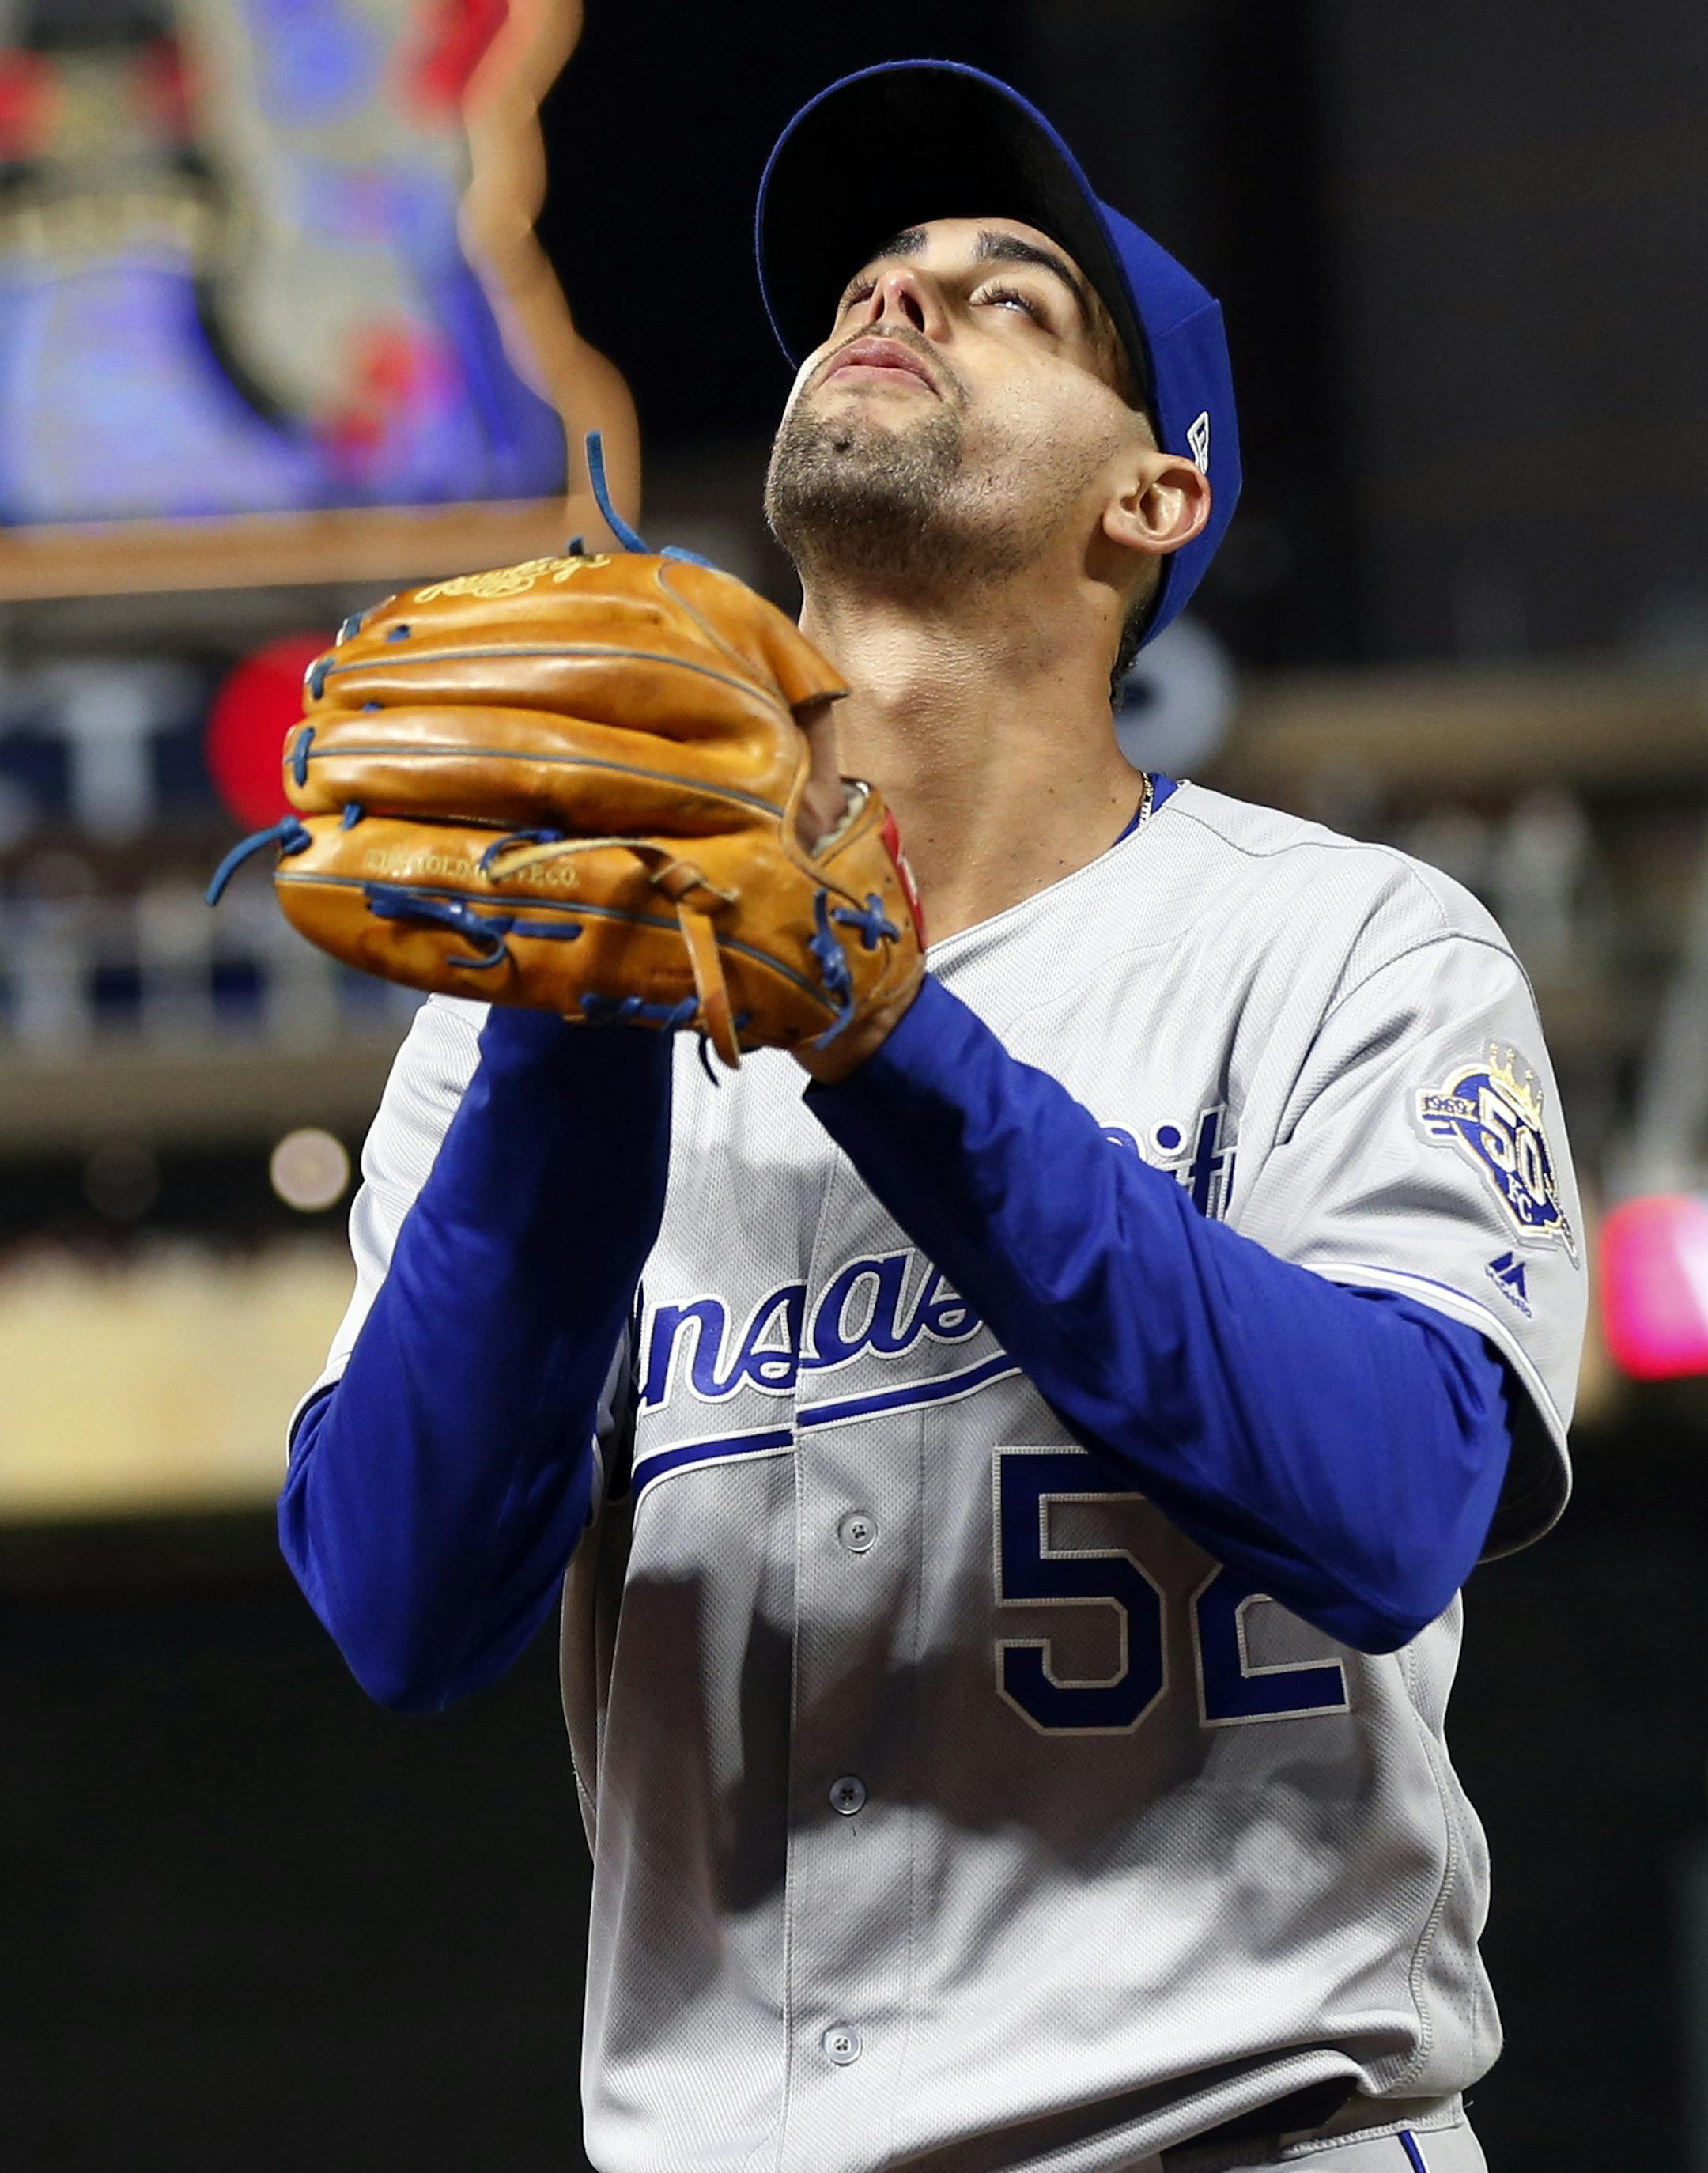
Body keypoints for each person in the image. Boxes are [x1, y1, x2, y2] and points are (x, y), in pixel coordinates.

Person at [279, 60, 1585, 2173]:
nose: (897, 296)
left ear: (1156, 492)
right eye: (873, 281)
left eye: (1010, 301)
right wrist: (570, 1020)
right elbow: (403, 1602)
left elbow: (1396, 1497)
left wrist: (888, 1033)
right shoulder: (522, 1021)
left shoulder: (1347, 946)